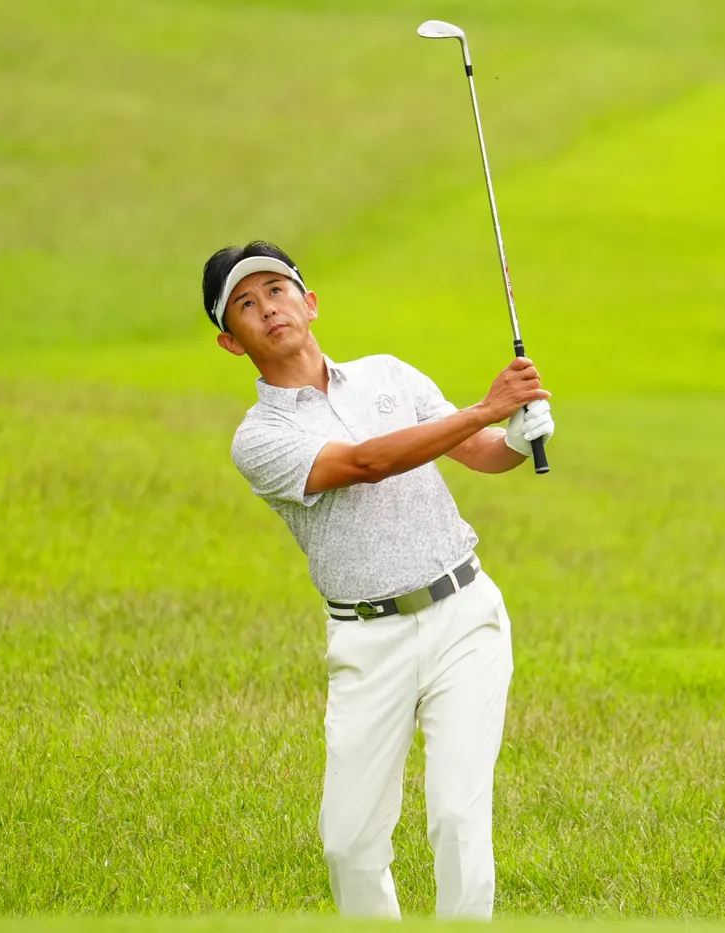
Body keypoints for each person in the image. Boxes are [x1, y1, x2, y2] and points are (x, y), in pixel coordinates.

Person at [201, 240, 554, 918]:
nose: (267, 308)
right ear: (231, 342)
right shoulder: (258, 438)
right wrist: (484, 408)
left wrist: (515, 436)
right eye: (244, 303)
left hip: (463, 617)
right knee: (349, 844)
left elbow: (478, 452)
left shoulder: (388, 374)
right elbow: (364, 463)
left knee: (457, 817)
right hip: (367, 642)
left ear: (310, 303)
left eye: (276, 290)